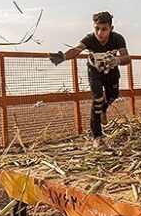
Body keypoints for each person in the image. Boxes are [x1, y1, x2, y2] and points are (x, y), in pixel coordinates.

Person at [49, 11, 130, 149]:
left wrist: (116, 60)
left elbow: (127, 58)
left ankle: (104, 109)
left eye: (104, 29)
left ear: (111, 28)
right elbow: (76, 50)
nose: (100, 33)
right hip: (95, 72)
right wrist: (63, 57)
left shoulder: (118, 39)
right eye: (97, 28)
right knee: (97, 99)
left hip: (111, 70)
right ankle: (97, 137)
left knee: (113, 95)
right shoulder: (90, 39)